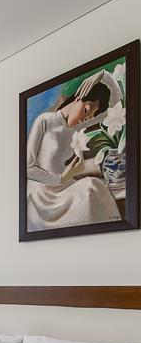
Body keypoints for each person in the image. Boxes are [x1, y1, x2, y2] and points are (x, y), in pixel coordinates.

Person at [24, 70, 121, 231]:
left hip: (64, 188)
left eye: (89, 117)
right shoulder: (45, 121)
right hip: (42, 196)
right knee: (90, 190)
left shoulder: (76, 126)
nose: (84, 119)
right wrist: (61, 178)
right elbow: (27, 168)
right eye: (86, 111)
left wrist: (104, 76)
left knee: (94, 187)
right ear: (78, 99)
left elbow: (117, 107)